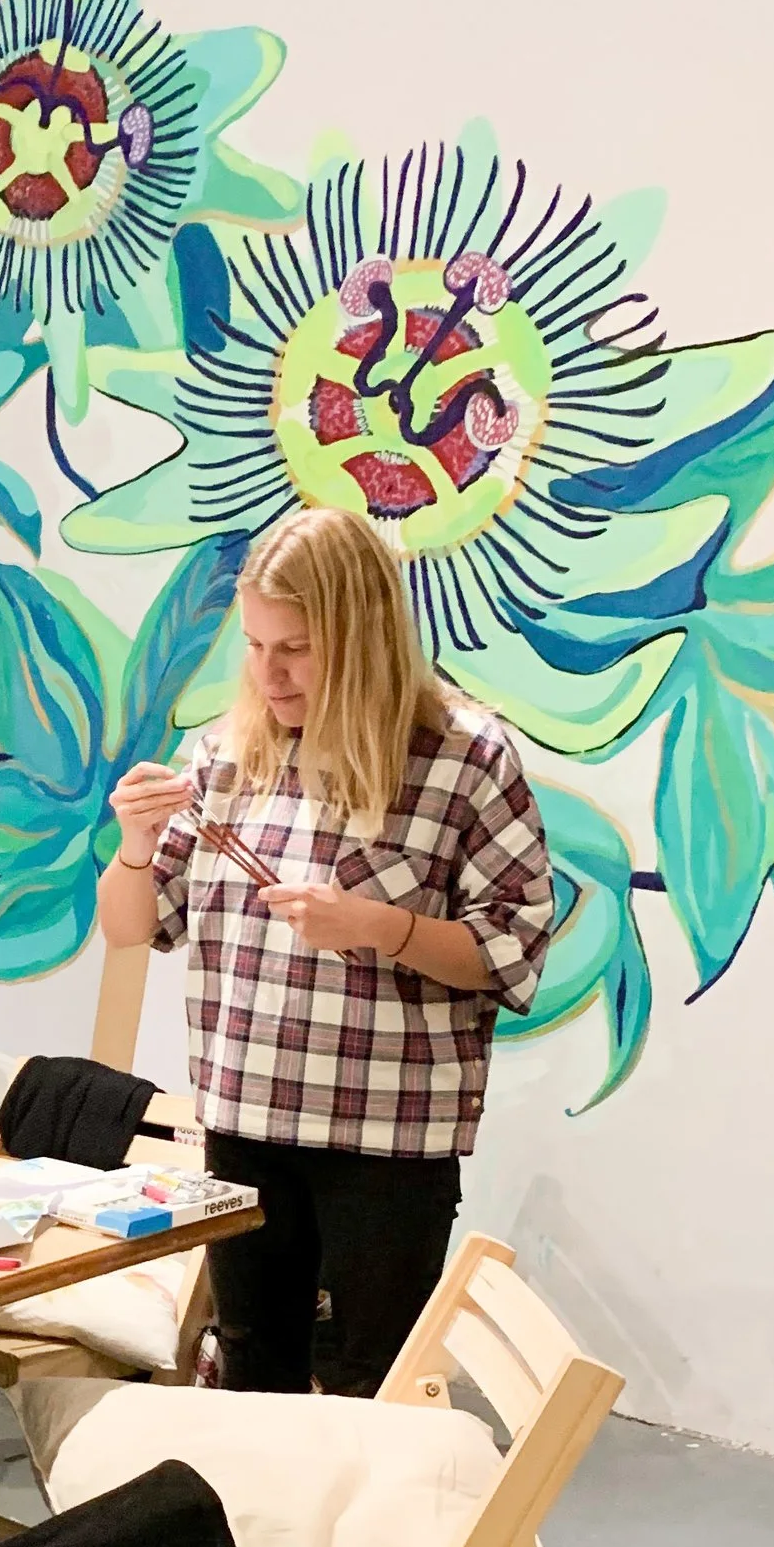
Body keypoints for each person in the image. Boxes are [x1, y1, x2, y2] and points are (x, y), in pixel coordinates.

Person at [96, 505, 554, 1397]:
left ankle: (368, 1545)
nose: (269, 674)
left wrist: (381, 928)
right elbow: (130, 927)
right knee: (253, 1374)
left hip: (388, 1143)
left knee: (373, 1387)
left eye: (295, 648)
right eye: (257, 645)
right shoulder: (228, 757)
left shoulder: (465, 759)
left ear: (364, 635)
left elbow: (515, 948)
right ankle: (261, 1541)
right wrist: (133, 845)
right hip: (245, 1124)